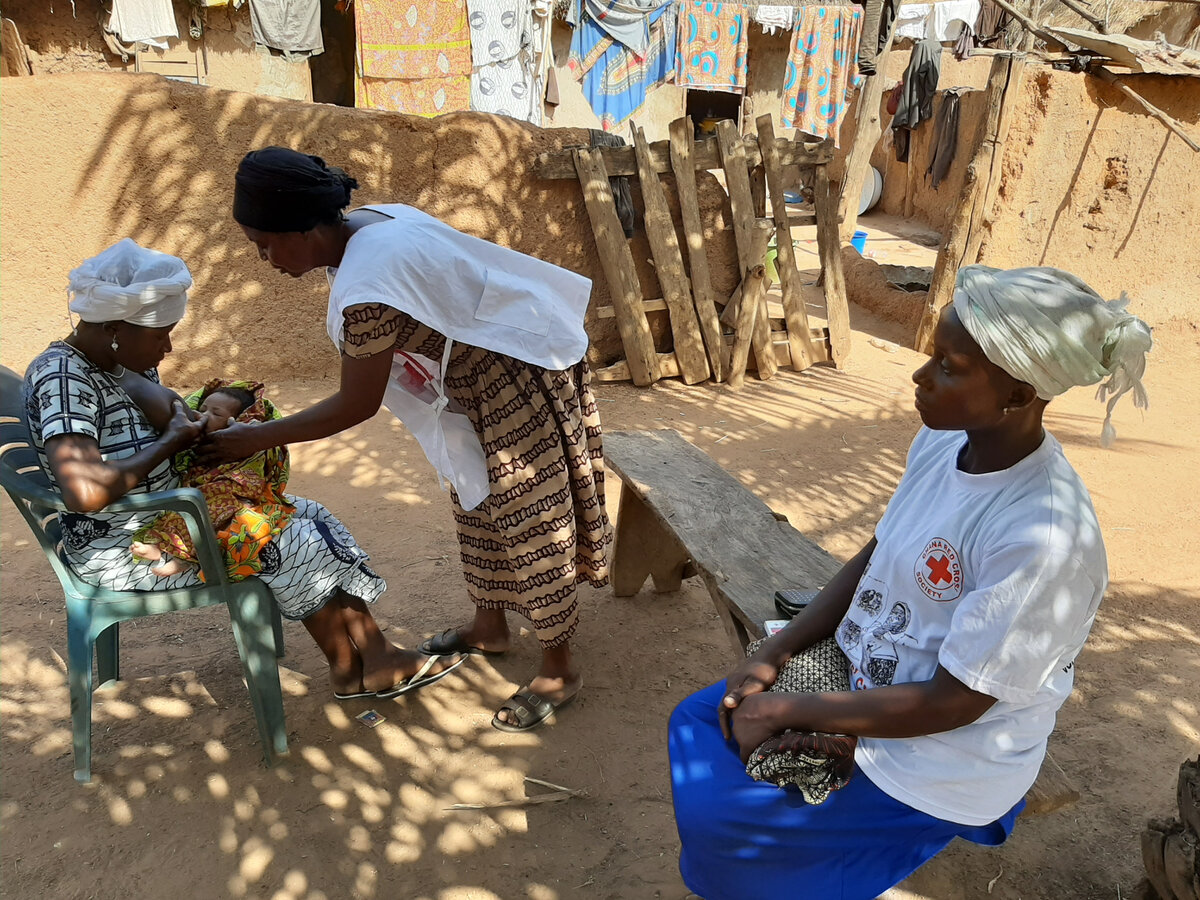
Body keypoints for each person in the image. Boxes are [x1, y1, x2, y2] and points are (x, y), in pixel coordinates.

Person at [667, 265, 1152, 900]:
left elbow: (955, 704)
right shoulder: (942, 442)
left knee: (726, 819)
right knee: (699, 722)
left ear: (1017, 394)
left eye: (948, 366)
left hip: (940, 753)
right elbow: (881, 549)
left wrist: (787, 706)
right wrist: (775, 652)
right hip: (862, 676)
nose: (920, 377)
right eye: (932, 356)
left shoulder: (1041, 537)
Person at [208, 147, 612, 732]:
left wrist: (253, 439)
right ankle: (490, 626)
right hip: (477, 376)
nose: (265, 259)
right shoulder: (374, 222)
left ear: (305, 225)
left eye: (266, 244)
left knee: (527, 512)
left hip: (518, 375)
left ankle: (559, 665)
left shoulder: (368, 293)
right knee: (475, 499)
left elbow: (356, 403)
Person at [23, 239, 464, 702]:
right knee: (285, 534)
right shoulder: (65, 379)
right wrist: (173, 439)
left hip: (166, 518)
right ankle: (356, 663)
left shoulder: (110, 360)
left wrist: (193, 415)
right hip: (123, 547)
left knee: (309, 515)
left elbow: (166, 407)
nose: (169, 347)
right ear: (114, 327)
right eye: (160, 337)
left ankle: (367, 659)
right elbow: (85, 492)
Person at [130, 381, 292, 580]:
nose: (204, 417)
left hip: (230, 498)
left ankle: (185, 558)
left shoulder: (247, 447)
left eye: (216, 414)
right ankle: (159, 545)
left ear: (238, 421)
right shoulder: (193, 442)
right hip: (197, 493)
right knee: (178, 510)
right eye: (202, 409)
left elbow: (252, 479)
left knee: (212, 514)